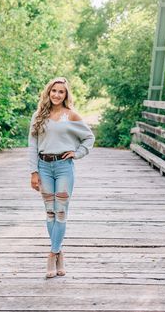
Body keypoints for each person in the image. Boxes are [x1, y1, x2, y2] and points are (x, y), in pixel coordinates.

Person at [28, 77, 95, 279]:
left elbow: (89, 137)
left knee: (61, 212)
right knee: (50, 212)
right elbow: (32, 145)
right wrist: (33, 172)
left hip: (64, 167)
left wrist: (78, 152)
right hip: (44, 166)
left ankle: (52, 254)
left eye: (61, 92)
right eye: (54, 91)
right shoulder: (39, 116)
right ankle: (59, 252)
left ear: (66, 95)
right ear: (48, 93)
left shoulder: (71, 116)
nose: (57, 95)